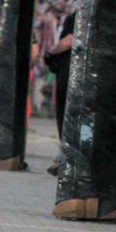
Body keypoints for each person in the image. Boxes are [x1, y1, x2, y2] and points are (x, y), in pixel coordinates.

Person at [45, 10, 76, 176]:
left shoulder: (76, 17)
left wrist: (51, 52)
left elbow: (68, 42)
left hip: (69, 73)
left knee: (65, 117)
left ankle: (64, 158)